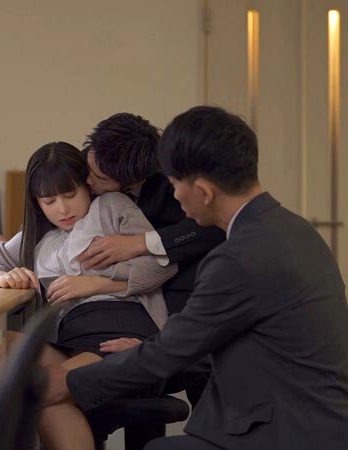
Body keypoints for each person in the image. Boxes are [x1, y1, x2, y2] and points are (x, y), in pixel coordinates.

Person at [44, 106, 348, 449]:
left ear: (204, 192)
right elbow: (257, 338)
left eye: (175, 184)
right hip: (339, 424)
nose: (174, 195)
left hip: (296, 432)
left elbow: (170, 352)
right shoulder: (296, 230)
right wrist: (155, 348)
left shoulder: (238, 258)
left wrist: (69, 382)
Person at [0, 141, 176, 450]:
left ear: (87, 186)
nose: (62, 209)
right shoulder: (38, 236)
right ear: (37, 203)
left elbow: (163, 264)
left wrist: (96, 284)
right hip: (72, 339)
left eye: (70, 195)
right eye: (49, 201)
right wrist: (3, 277)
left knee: (43, 392)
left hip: (122, 334)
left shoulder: (112, 207)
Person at [79, 112, 225, 405]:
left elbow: (212, 229)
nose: (88, 180)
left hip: (175, 295)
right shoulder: (88, 170)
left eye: (100, 178)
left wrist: (139, 243)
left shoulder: (175, 181)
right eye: (89, 168)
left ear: (135, 179)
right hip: (106, 307)